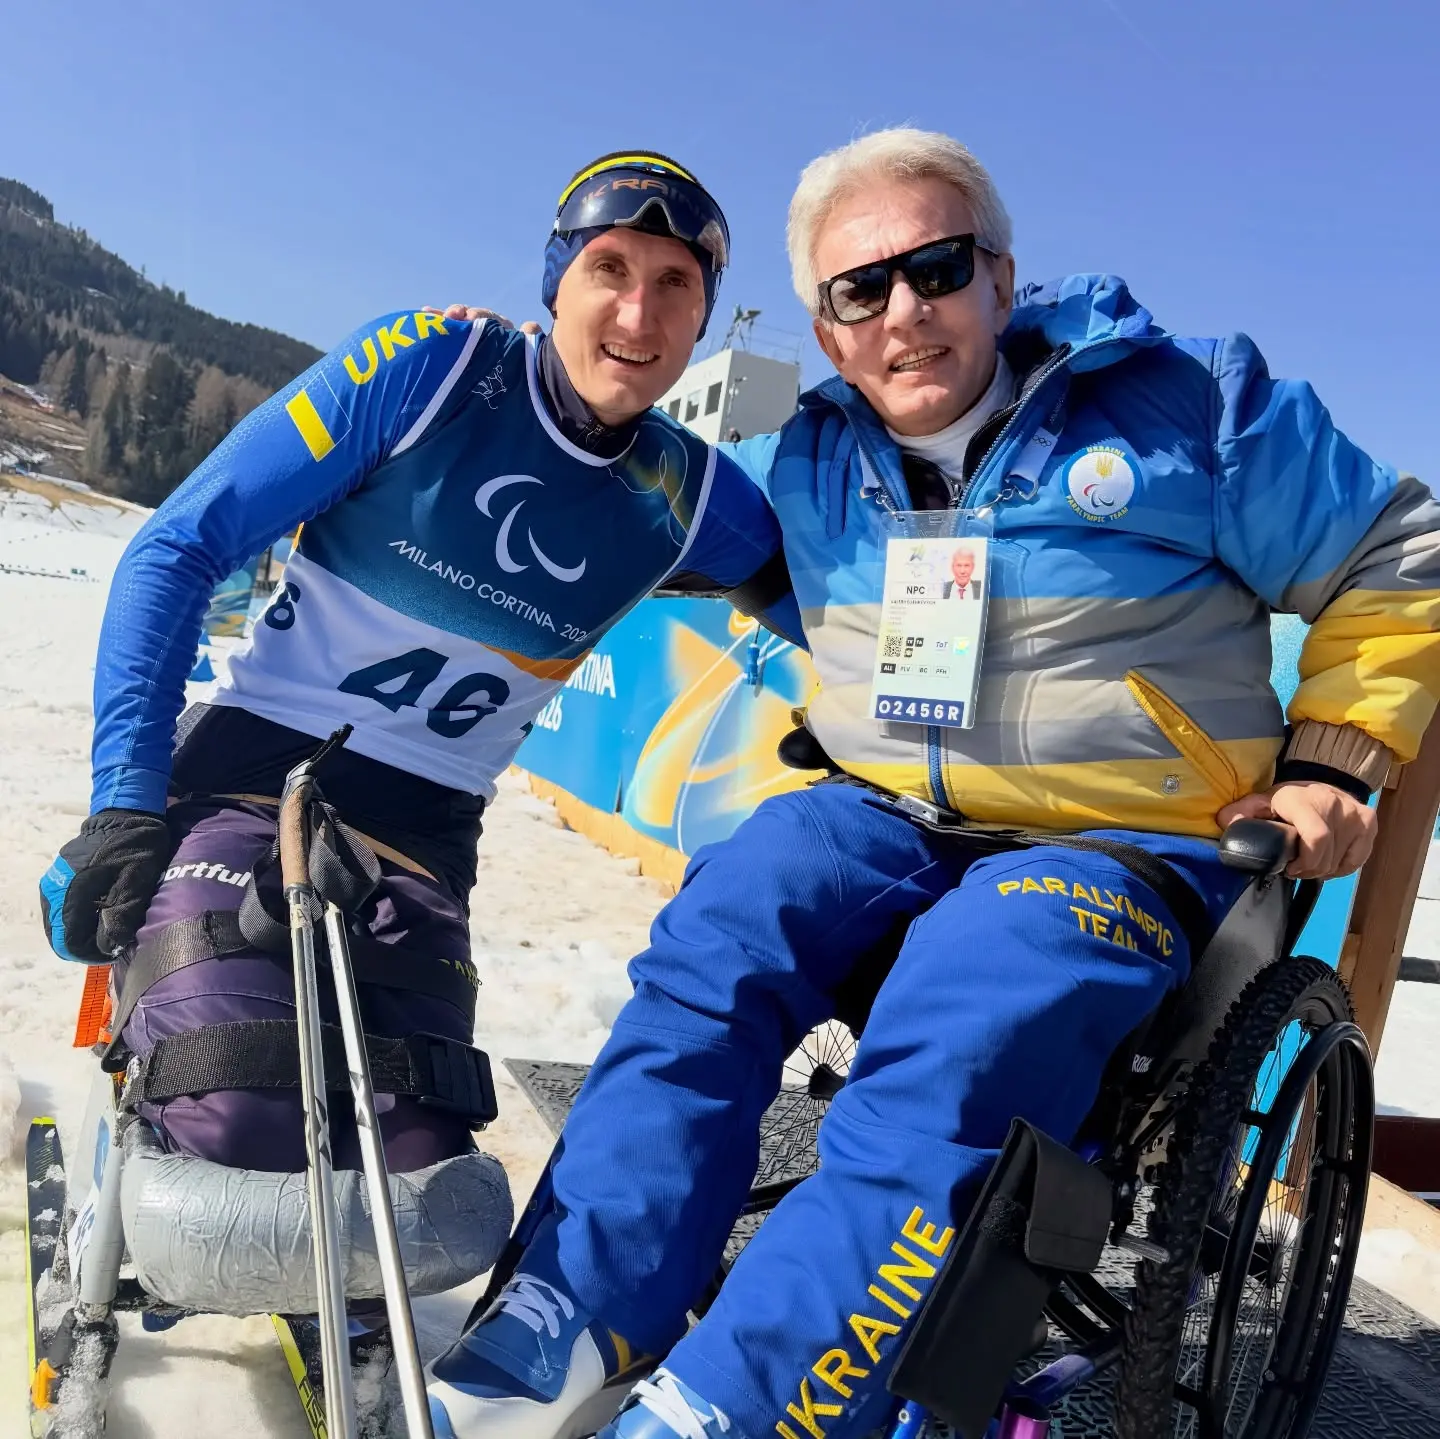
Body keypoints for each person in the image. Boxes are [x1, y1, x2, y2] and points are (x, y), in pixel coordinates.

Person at [425, 128, 1440, 1439]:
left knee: (971, 998)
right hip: (893, 810)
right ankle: (575, 1309)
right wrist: (506, 393)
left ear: (1001, 278)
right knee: (723, 924)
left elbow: (1398, 548)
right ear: (827, 329)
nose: (902, 309)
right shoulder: (812, 459)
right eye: (861, 288)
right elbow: (644, 487)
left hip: (1120, 837)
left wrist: (1333, 760)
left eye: (937, 267)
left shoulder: (1193, 405)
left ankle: (751, 1400)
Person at [37, 151, 798, 1194]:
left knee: (412, 1186)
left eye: (676, 283)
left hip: (422, 835)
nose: (638, 311)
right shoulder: (434, 366)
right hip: (253, 776)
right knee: (237, 1120)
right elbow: (179, 545)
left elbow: (834, 611)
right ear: (557, 284)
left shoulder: (691, 491)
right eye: (610, 269)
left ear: (704, 317)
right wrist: (124, 801)